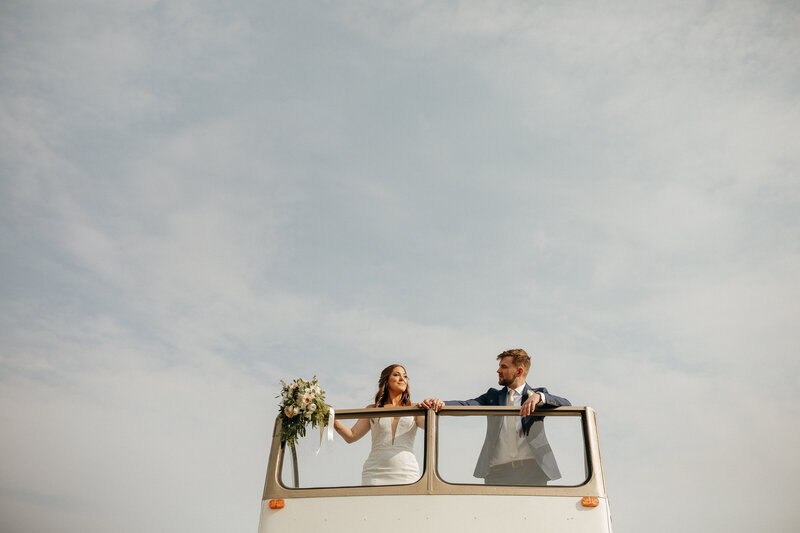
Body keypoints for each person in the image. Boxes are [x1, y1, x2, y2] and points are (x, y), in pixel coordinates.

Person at [419, 348, 570, 485]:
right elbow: (466, 405)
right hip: (498, 472)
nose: (498, 370)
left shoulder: (538, 393)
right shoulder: (492, 396)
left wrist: (539, 397)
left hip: (532, 471)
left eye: (504, 366)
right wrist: (440, 403)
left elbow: (567, 404)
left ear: (518, 371)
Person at [334, 364, 424, 485]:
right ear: (386, 381)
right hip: (374, 473)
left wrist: (434, 406)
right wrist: (329, 418)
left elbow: (430, 428)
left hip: (407, 473)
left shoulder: (415, 408)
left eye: (405, 376)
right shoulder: (373, 409)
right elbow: (351, 436)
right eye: (396, 375)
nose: (402, 379)